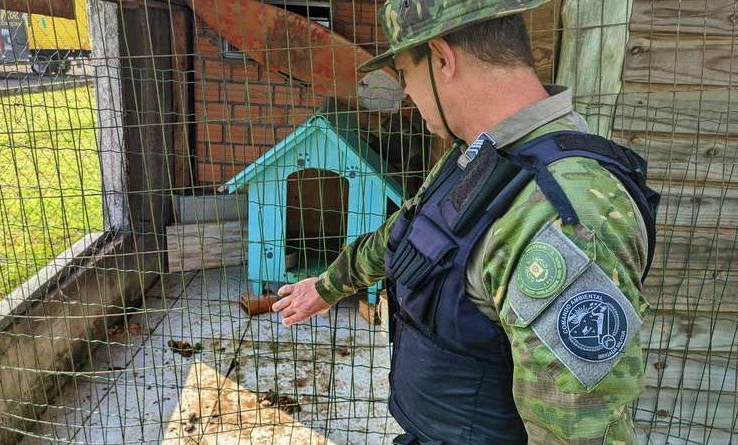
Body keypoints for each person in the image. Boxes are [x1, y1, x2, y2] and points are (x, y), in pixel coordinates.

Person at [272, 0, 659, 443]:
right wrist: (327, 286)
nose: (408, 95)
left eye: (405, 74)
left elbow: (582, 432)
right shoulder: (480, 154)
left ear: (441, 58)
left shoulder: (560, 218)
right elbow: (407, 234)